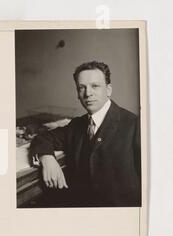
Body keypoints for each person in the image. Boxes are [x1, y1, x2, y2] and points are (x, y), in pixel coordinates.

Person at [29, 61, 141, 207]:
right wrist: (47, 158)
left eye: (95, 86)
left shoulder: (134, 125)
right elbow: (43, 138)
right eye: (81, 88)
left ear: (108, 90)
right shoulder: (77, 125)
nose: (88, 93)